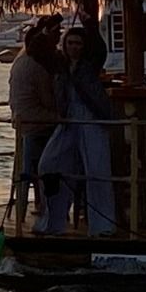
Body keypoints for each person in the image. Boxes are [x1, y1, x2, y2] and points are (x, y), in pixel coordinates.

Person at [37, 12, 116, 236]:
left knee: (97, 171)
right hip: (68, 120)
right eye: (70, 42)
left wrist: (90, 25)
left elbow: (100, 49)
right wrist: (48, 28)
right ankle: (52, 222)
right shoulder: (60, 65)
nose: (74, 47)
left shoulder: (89, 65)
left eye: (78, 43)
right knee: (48, 165)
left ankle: (103, 226)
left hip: (91, 118)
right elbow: (36, 50)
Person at [8, 15, 61, 223]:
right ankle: (55, 206)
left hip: (21, 120)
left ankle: (34, 204)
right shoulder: (38, 68)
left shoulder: (20, 60)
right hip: (36, 122)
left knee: (30, 166)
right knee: (69, 126)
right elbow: (49, 103)